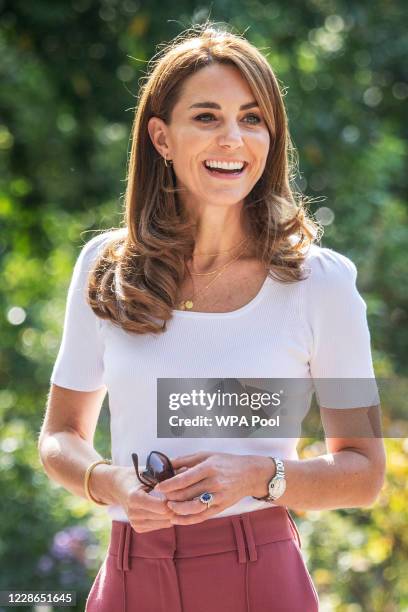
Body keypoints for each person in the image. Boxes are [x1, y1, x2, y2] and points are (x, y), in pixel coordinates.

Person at [38, 22, 386, 612]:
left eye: (252, 119)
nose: (232, 139)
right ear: (161, 137)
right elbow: (60, 436)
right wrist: (110, 482)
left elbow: (364, 470)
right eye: (206, 117)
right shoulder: (107, 267)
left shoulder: (320, 284)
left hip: (260, 573)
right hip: (129, 571)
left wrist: (259, 476)